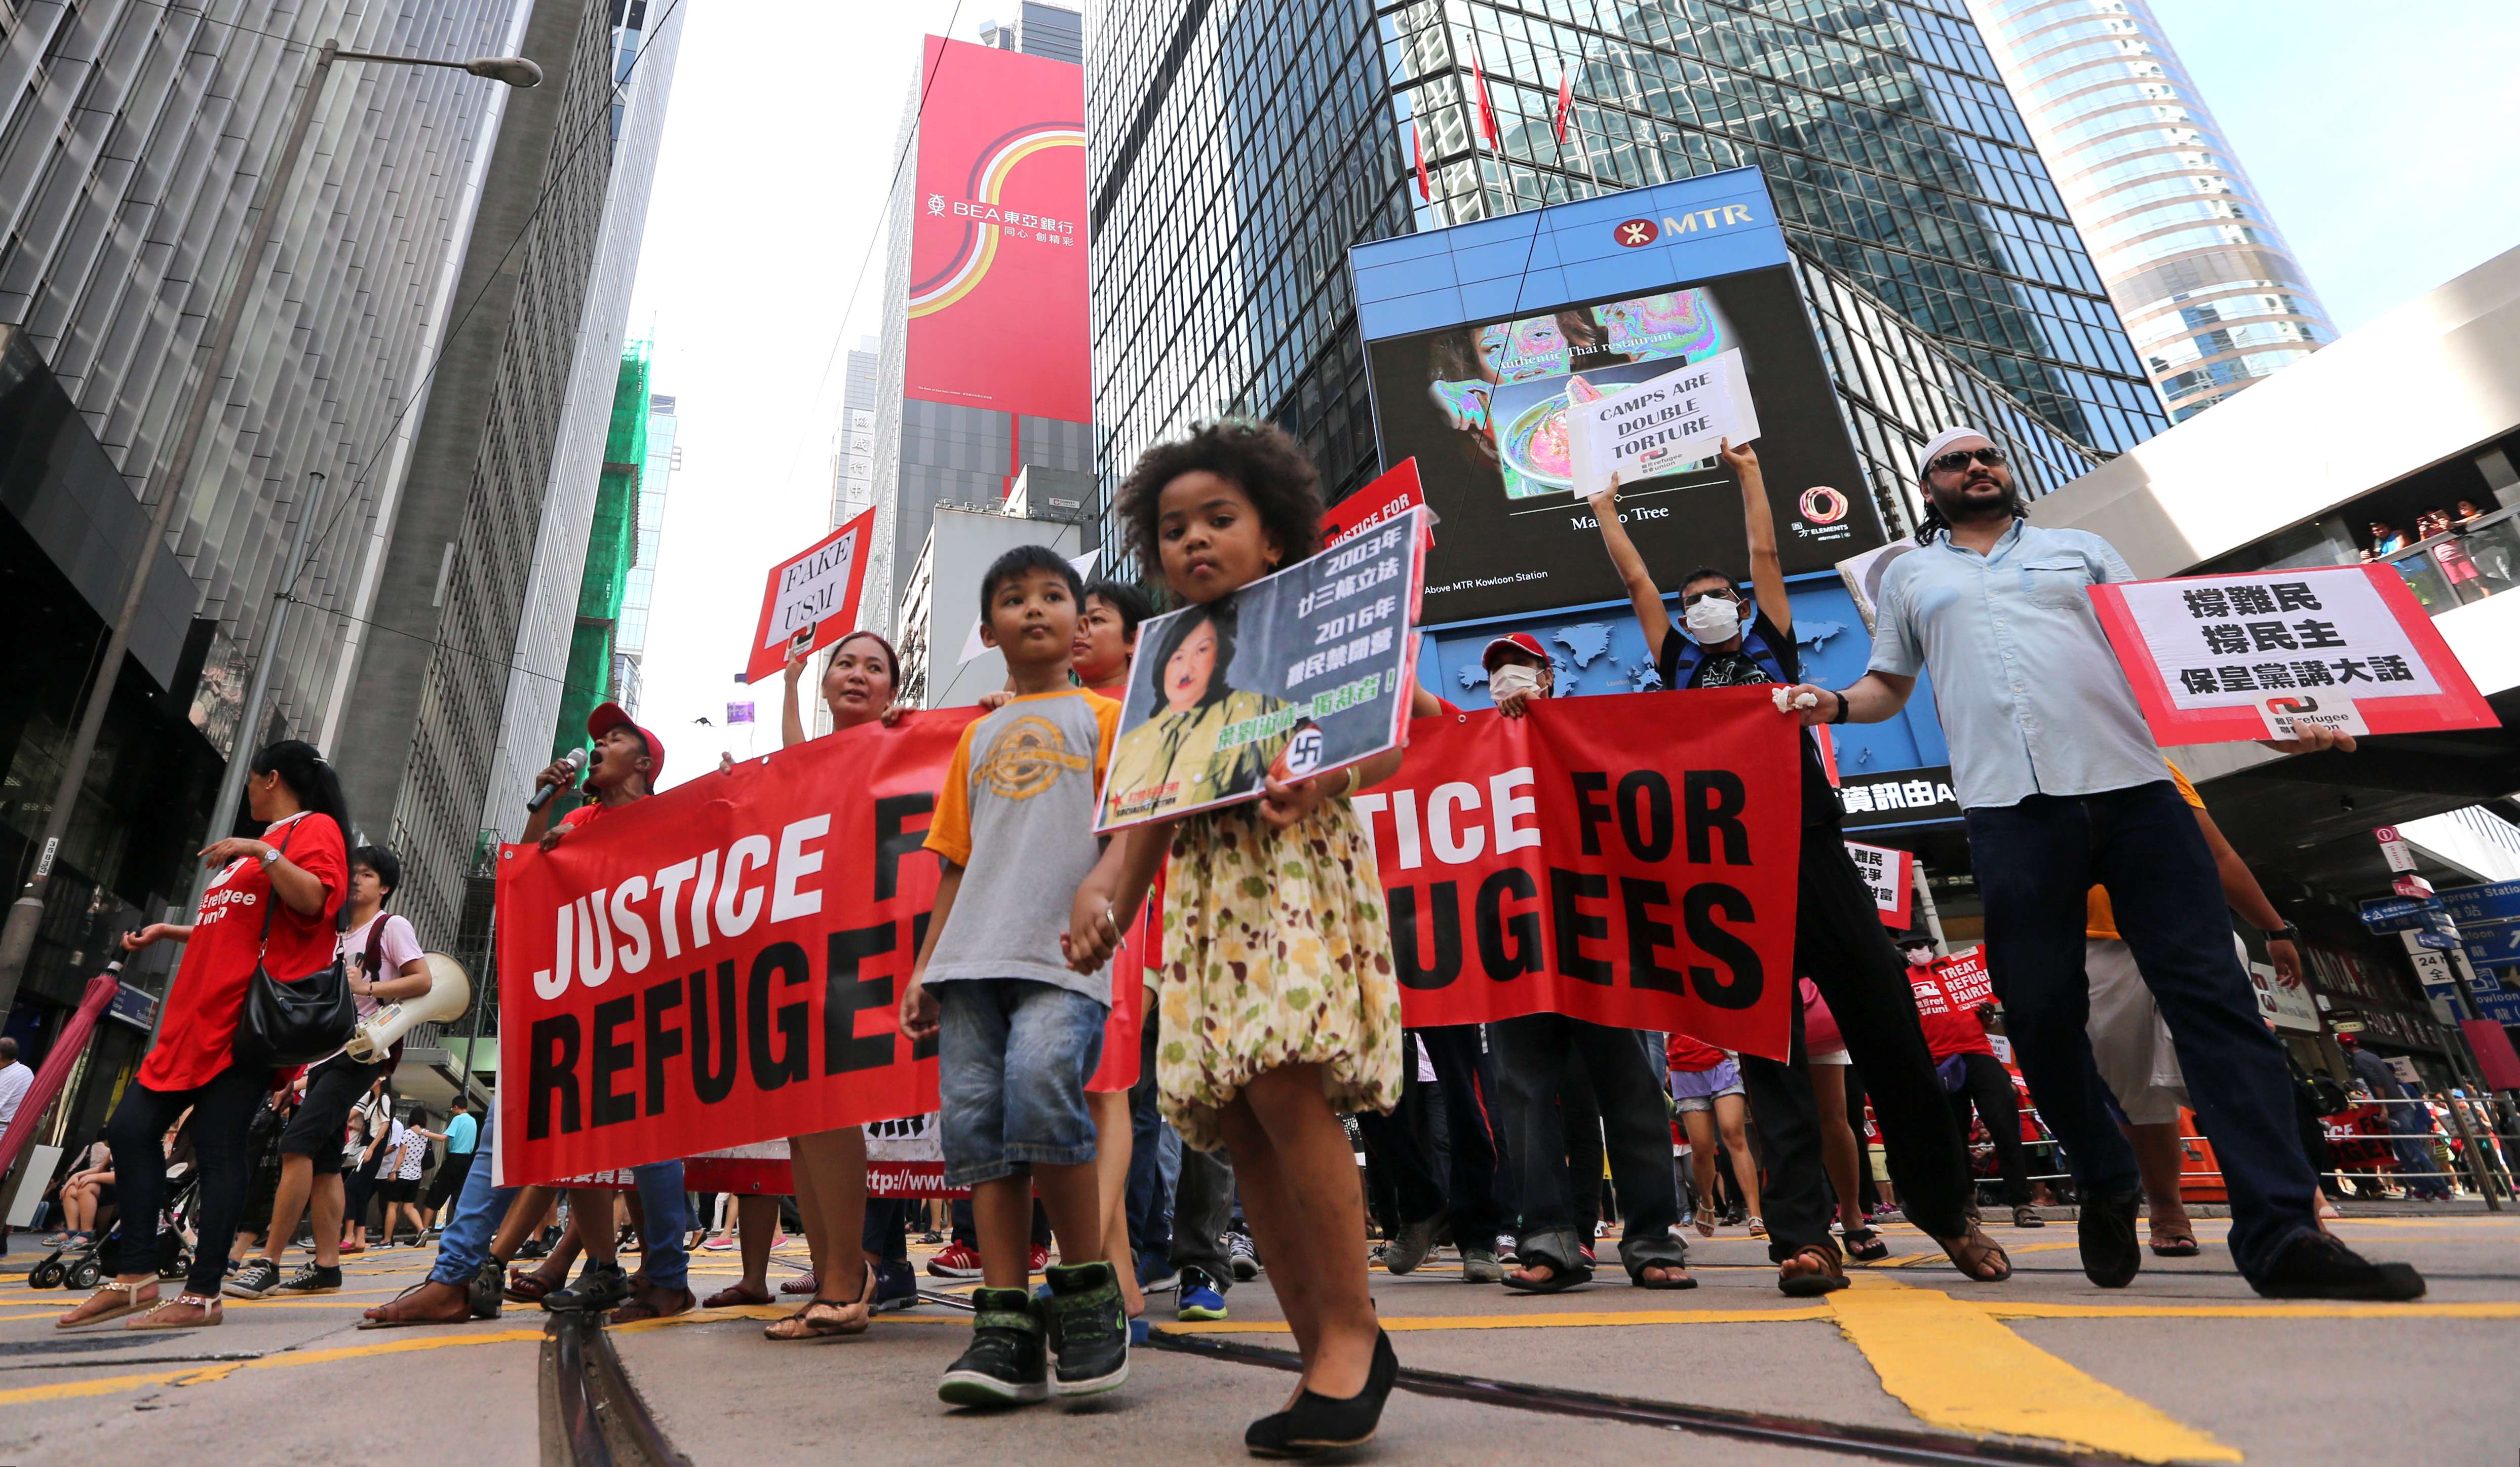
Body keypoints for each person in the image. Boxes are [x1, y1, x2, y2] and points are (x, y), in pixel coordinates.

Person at [1786, 426, 2424, 1300]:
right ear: (1927, 487)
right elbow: (1888, 686)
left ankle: (2282, 1234)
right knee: (2041, 1014)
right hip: (2011, 810)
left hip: (2135, 796)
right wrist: (1829, 702)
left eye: (1989, 456)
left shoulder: (2082, 551)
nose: (1977, 467)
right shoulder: (1910, 577)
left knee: (2217, 1004)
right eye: (1953, 462)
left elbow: (2172, 655)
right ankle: (2104, 1173)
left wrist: (2279, 716)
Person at [1592, 440, 2006, 1297]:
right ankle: (1805, 1239)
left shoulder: (1773, 650)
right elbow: (1637, 585)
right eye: (1691, 601)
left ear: (1742, 607)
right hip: (1736, 874)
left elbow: (1769, 554)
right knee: (1771, 1059)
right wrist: (1604, 509)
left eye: (1717, 598)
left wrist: (1750, 473)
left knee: (1890, 1032)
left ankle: (1949, 1214)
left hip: (1816, 851)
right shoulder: (1679, 665)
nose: (1704, 607)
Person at [1075, 420, 1405, 1453]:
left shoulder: (1312, 626)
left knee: (1282, 1085)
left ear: (1274, 534)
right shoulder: (1163, 667)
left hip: (1296, 876)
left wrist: (1326, 772)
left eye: (1220, 518)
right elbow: (1147, 816)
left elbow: (1403, 721)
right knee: (1239, 1114)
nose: (1194, 541)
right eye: (1173, 528)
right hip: (1207, 906)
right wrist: (1105, 902)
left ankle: (1354, 1327)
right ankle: (1322, 1351)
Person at [900, 544, 1133, 1406]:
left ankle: (1084, 1291)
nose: (1034, 609)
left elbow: (1133, 828)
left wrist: (1104, 899)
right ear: (990, 628)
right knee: (980, 1131)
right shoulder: (976, 735)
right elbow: (953, 862)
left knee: (1042, 1089)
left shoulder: (1111, 720)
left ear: (1080, 621)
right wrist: (926, 966)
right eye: (1012, 599)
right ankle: (1002, 1321)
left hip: (1059, 956)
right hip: (968, 962)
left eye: (1051, 596)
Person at [1427, 633, 1690, 1295]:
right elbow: (1419, 715)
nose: (1502, 679)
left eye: (1515, 667)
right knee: (1521, 1099)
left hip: (1599, 943)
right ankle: (1546, 1240)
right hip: (1515, 952)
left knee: (1629, 1090)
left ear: (1547, 677)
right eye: (1492, 671)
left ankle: (1652, 1238)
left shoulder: (1587, 733)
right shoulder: (1475, 745)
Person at [58, 740, 350, 1330]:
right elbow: (238, 928)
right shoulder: (259, 851)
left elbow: (316, 899)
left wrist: (262, 850)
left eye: (251, 779)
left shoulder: (310, 830)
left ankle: (202, 1292)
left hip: (241, 1026)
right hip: (194, 1020)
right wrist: (172, 930)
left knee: (218, 1150)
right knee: (132, 1128)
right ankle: (137, 1273)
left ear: (271, 779)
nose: (247, 790)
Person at [717, 629, 915, 1335]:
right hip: (805, 950)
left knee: (830, 1107)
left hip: (868, 950)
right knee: (802, 1118)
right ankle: (837, 1271)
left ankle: (846, 1275)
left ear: (895, 689)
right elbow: (800, 759)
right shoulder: (804, 761)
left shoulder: (902, 745)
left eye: (874, 667)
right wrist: (790, 684)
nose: (857, 675)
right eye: (846, 664)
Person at [2080, 760, 2321, 1253]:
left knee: (2229, 1059)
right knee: (2132, 1091)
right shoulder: (2022, 770)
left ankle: (2297, 1202)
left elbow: (2219, 854)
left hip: (2186, 928)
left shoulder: (2146, 758)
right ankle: (2166, 1206)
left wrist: (2274, 929)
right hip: (2092, 947)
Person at [517, 703, 695, 1322]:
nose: (597, 744)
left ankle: (667, 1275)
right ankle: (606, 1268)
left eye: (615, 737)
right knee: (579, 1140)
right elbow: (524, 875)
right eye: (597, 737)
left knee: (653, 1143)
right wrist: (547, 815)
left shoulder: (672, 819)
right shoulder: (579, 816)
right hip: (584, 1000)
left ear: (644, 764)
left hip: (652, 999)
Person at [227, 845, 433, 1298]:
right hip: (322, 1057)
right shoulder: (334, 933)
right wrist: (294, 1077)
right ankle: (326, 1268)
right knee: (323, 1166)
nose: (356, 880)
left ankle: (269, 1261)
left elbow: (423, 980)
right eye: (351, 873)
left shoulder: (390, 925)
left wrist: (371, 986)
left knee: (296, 1145)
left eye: (367, 875)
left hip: (363, 1053)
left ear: (386, 887)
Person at [1100, 597, 1284, 821]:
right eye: (1177, 657)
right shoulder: (1129, 743)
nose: (1186, 668)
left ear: (1220, 658)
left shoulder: (1261, 710)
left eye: (1202, 650)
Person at [1905, 941, 2040, 1226]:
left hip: (1980, 1056)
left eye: (1920, 945)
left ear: (1932, 946)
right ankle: (1967, 1202)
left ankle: (2021, 1203)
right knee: (1955, 1136)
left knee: (2004, 1127)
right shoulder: (1904, 981)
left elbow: (1990, 1022)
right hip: (1939, 1063)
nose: (1916, 951)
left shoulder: (1957, 974)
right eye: (1909, 947)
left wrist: (1988, 1015)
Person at [1668, 1030, 1762, 1241]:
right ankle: (1708, 1201)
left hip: (1723, 1064)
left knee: (1734, 1135)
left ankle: (1755, 1213)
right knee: (1702, 1147)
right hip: (1684, 1070)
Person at [428, 1102, 481, 1229]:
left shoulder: (458, 1119)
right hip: (467, 1162)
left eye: (452, 1108)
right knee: (459, 1197)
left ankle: (423, 1230)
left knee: (433, 1197)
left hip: (454, 1160)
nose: (452, 1111)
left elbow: (443, 1138)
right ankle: (461, 1229)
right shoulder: (473, 1121)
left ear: (456, 1107)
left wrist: (423, 1132)